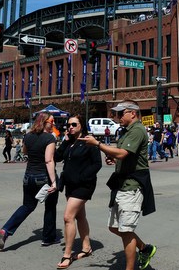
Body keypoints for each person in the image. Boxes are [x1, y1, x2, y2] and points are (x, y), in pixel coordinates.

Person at [79, 100, 157, 270]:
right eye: (116, 113)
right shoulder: (126, 131)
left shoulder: (137, 130)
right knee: (115, 227)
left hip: (132, 186)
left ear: (133, 113)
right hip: (122, 184)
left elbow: (122, 153)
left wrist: (99, 145)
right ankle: (144, 248)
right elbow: (123, 155)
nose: (117, 116)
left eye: (121, 113)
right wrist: (112, 156)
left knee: (126, 230)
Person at [0, 113, 59, 249]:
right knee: (50, 207)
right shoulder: (49, 138)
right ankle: (48, 238)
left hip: (28, 177)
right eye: (52, 121)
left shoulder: (28, 136)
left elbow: (25, 152)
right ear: (44, 122)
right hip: (43, 177)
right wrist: (54, 181)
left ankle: (6, 230)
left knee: (27, 206)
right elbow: (49, 160)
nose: (53, 124)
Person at [54, 114, 102, 269]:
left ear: (81, 125)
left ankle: (67, 255)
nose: (70, 127)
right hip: (70, 185)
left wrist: (83, 176)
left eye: (74, 124)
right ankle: (86, 247)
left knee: (68, 217)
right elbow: (56, 156)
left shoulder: (89, 142)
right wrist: (65, 141)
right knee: (80, 216)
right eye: (69, 125)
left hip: (83, 185)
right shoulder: (70, 142)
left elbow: (97, 164)